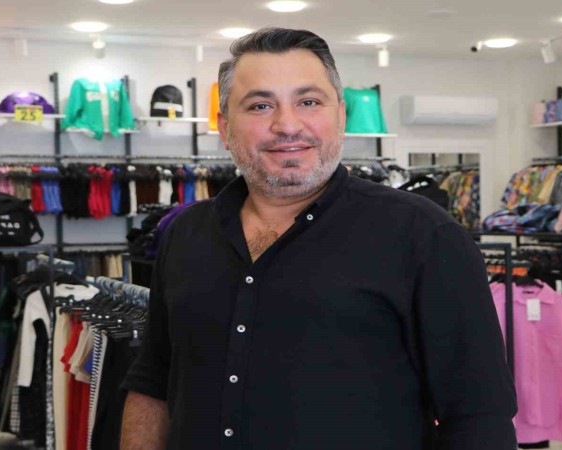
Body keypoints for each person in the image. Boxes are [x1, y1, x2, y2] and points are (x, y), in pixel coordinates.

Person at [120, 27, 517, 450]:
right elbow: (155, 377)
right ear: (225, 127)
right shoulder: (185, 234)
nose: (287, 125)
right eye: (260, 105)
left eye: (308, 102)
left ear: (341, 116)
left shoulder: (424, 236)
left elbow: (479, 416)